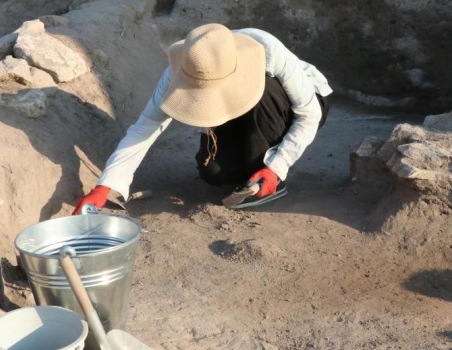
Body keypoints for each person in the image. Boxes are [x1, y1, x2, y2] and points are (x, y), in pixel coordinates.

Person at [73, 23, 332, 214]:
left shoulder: (267, 49)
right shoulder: (182, 69)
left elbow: (309, 114)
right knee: (215, 173)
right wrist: (106, 185)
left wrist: (278, 165)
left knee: (265, 90)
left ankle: (271, 177)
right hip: (237, 112)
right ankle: (256, 167)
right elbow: (145, 127)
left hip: (293, 104)